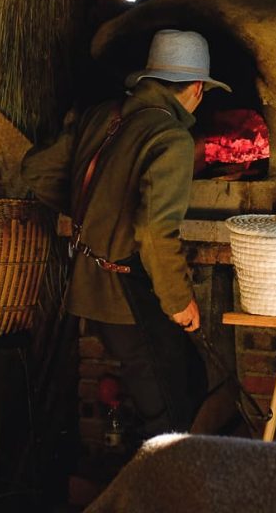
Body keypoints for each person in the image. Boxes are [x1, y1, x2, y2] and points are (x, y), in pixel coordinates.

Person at [63, 29, 230, 441]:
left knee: (174, 391)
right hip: (128, 295)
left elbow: (38, 171)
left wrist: (100, 211)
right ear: (196, 89)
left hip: (89, 283)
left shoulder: (104, 115)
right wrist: (178, 301)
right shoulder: (171, 138)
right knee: (172, 420)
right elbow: (155, 231)